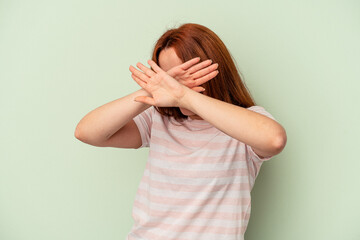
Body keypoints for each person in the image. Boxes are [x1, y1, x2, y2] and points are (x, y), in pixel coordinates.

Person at [75, 23, 287, 240]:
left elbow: (274, 139)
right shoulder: (158, 120)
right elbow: (87, 132)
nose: (174, 86)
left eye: (184, 76)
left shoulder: (243, 123)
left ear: (213, 69)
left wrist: (184, 96)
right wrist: (150, 88)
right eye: (169, 78)